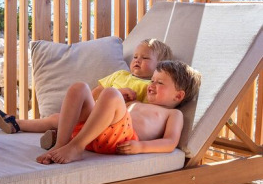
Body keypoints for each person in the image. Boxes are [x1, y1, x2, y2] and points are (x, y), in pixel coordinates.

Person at [0, 38, 173, 148]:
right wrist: (117, 91)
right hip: (93, 113)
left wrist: (123, 98)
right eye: (135, 56)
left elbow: (146, 116)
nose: (137, 60)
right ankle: (16, 124)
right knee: (59, 117)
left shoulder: (152, 86)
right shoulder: (120, 75)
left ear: (160, 65)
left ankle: (63, 139)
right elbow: (95, 95)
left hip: (112, 124)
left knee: (62, 120)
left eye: (145, 58)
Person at [36, 60, 201, 164]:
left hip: (121, 140)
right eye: (152, 80)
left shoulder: (173, 115)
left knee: (111, 93)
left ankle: (76, 147)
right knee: (79, 88)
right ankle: (61, 144)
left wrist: (141, 147)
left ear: (178, 95)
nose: (151, 85)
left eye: (160, 83)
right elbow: (107, 112)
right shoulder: (137, 103)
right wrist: (121, 99)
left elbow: (170, 142)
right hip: (95, 133)